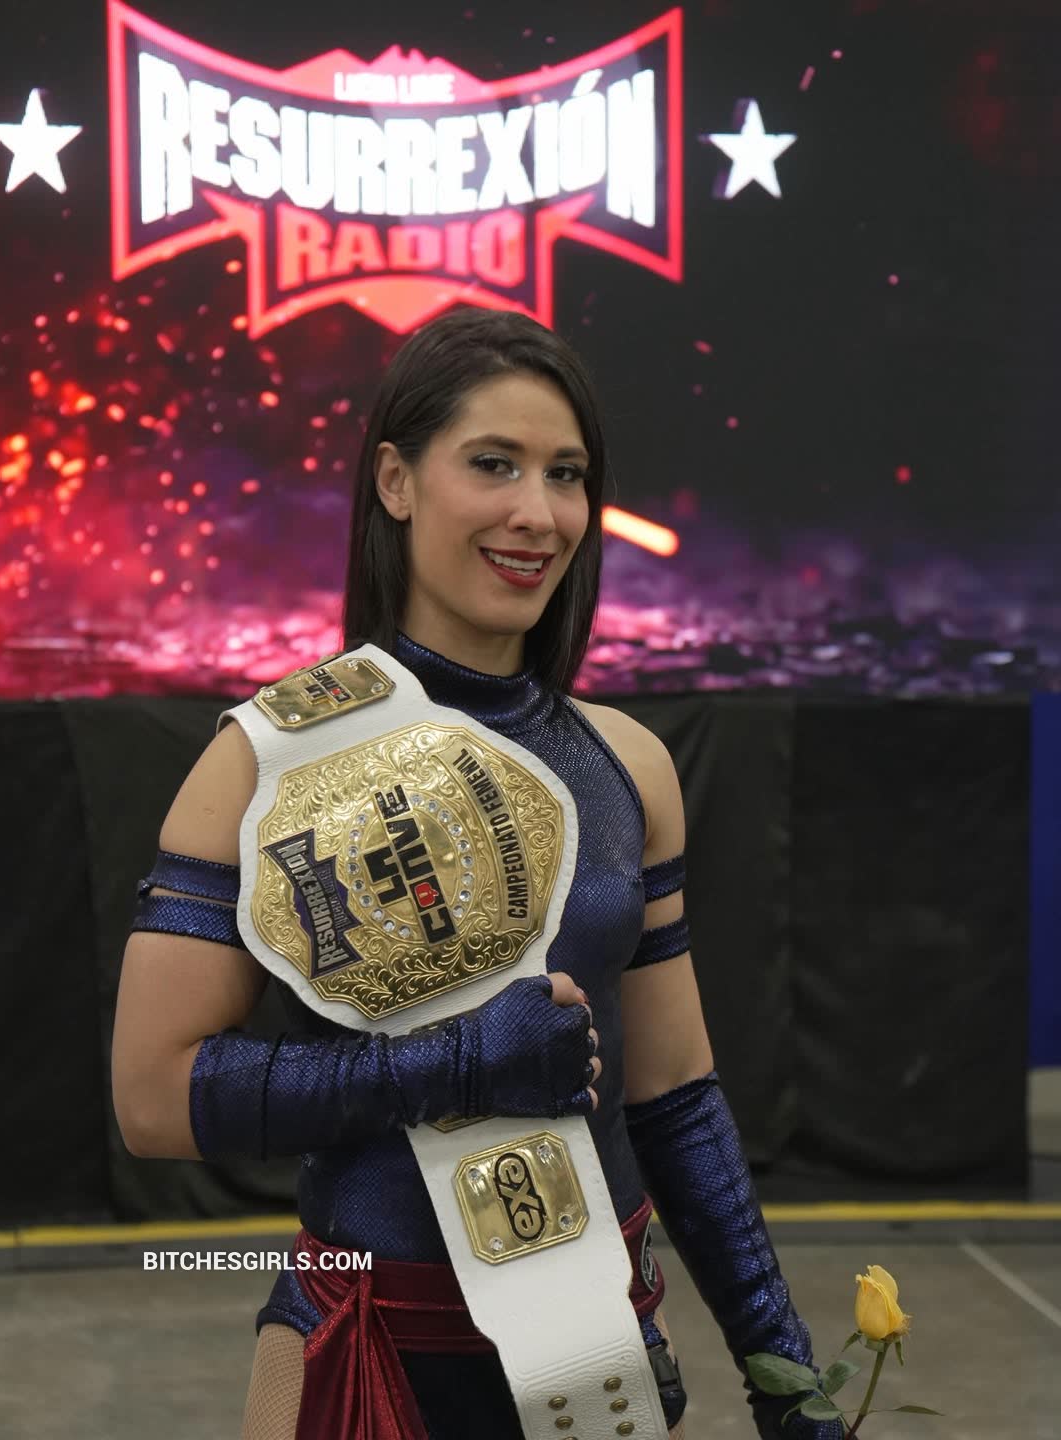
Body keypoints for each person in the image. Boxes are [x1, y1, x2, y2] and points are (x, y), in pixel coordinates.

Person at [112, 308, 841, 1440]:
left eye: (566, 474)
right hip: (363, 1357)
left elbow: (676, 1098)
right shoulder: (266, 761)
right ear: (396, 482)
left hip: (597, 1365)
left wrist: (786, 1375)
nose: (537, 514)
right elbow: (155, 1098)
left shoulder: (629, 765)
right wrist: (447, 1067)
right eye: (493, 464)